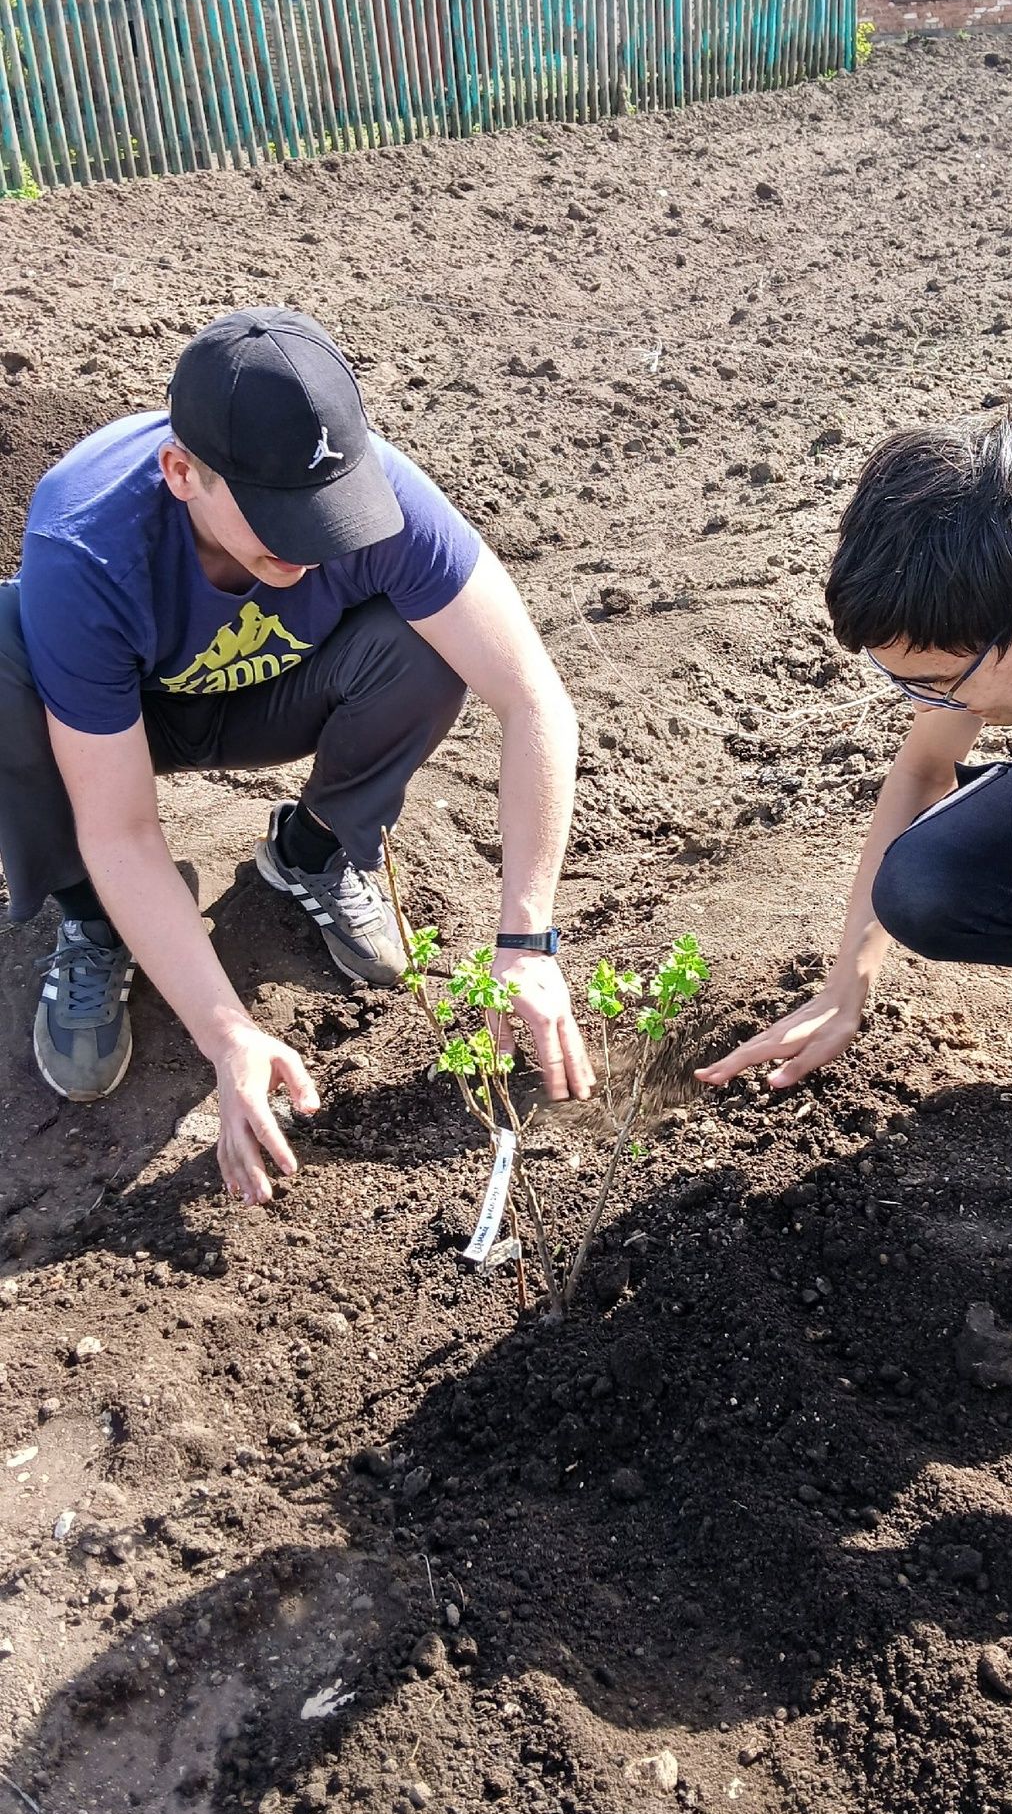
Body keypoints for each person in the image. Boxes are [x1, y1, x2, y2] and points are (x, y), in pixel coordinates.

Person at [698, 419, 1012, 1602]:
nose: (923, 704)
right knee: (923, 882)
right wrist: (847, 985)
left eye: (935, 680)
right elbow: (924, 775)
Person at [2, 306, 593, 1202]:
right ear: (181, 473)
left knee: (435, 643)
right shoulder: (86, 543)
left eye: (333, 513)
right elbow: (121, 829)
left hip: (279, 693)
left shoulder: (385, 497)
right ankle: (93, 922)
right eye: (286, 521)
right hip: (126, 719)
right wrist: (227, 1031)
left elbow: (532, 696)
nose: (318, 545)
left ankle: (313, 847)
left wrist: (526, 939)